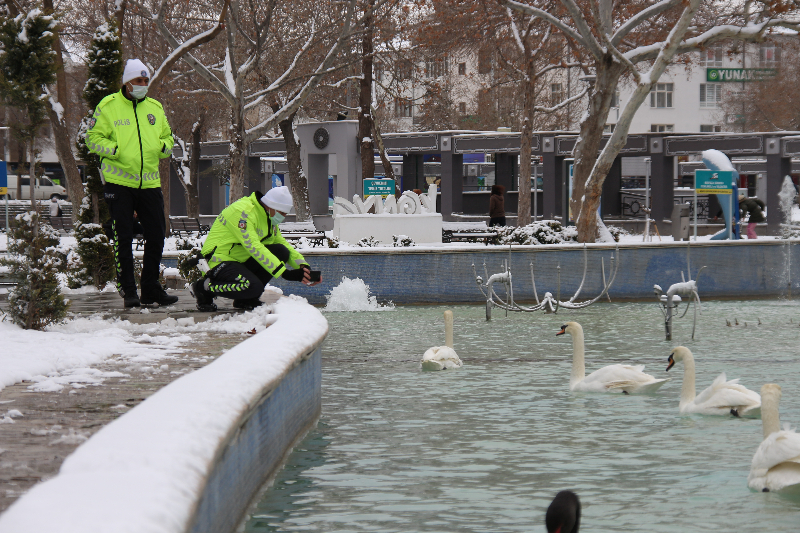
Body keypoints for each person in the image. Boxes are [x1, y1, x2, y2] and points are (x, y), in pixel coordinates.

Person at [85, 59, 176, 308]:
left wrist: (163, 146)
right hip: (119, 183)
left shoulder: (155, 108)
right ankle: (129, 290)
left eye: (146, 81)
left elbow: (169, 137)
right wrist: (114, 149)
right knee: (123, 236)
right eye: (138, 81)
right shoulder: (109, 106)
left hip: (149, 183)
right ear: (127, 82)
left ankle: (150, 289)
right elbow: (91, 138)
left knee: (157, 234)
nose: (143, 85)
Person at [191, 186, 321, 311]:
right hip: (218, 261)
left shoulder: (267, 217)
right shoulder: (243, 212)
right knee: (253, 286)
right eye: (282, 213)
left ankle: (246, 300)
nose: (283, 217)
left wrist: (303, 267)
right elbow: (253, 246)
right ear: (271, 206)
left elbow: (282, 243)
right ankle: (203, 288)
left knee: (281, 251)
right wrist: (285, 273)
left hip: (239, 261)